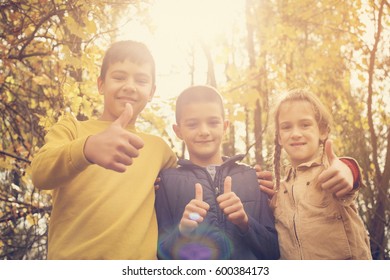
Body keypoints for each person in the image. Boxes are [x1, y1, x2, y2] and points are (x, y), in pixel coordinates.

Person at [31, 40, 177, 259]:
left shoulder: (160, 150)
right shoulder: (72, 129)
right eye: (119, 77)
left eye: (141, 80)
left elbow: (191, 180)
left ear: (151, 92)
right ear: (101, 85)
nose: (130, 86)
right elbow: (40, 173)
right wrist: (87, 149)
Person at [155, 85, 280, 260]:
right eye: (192, 124)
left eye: (213, 122)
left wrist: (245, 223)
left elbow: (273, 251)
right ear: (178, 131)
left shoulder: (252, 178)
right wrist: (182, 231)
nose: (204, 131)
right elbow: (159, 255)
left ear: (225, 126)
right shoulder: (166, 183)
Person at [271, 88, 371, 259]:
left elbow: (349, 174)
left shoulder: (330, 171)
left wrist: (348, 171)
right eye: (287, 127)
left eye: (305, 125)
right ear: (279, 137)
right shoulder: (279, 190)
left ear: (323, 131)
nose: (295, 134)